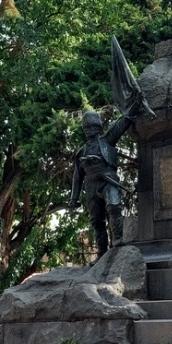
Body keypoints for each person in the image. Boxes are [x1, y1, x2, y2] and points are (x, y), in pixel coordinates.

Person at [69, 103, 141, 258]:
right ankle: (102, 252)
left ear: (98, 128)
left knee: (113, 205)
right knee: (97, 220)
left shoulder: (107, 140)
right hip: (91, 184)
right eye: (87, 128)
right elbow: (77, 176)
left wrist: (135, 103)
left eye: (92, 128)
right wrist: (74, 198)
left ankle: (118, 239)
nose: (89, 131)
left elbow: (123, 122)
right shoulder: (81, 151)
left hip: (108, 180)